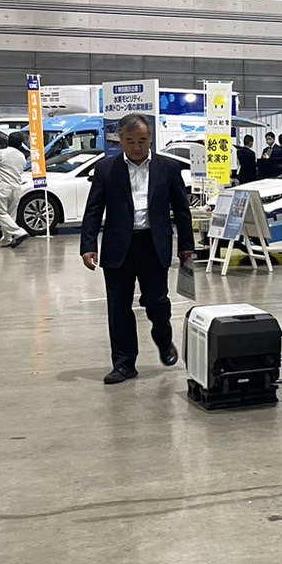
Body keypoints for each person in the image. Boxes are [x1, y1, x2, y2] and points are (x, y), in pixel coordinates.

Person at [80, 114, 195, 385]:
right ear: (120, 140)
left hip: (154, 244)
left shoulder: (168, 168)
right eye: (130, 141)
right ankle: (124, 364)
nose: (136, 147)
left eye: (142, 140)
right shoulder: (106, 169)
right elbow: (93, 209)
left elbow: (181, 209)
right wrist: (88, 245)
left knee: (158, 303)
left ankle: (163, 338)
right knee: (118, 306)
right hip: (118, 246)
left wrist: (186, 245)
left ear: (150, 139)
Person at [0, 131, 30, 249]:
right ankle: (7, 239)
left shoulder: (0, 153)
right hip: (16, 188)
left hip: (2, 188)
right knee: (10, 215)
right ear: (20, 144)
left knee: (0, 211)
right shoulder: (22, 157)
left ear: (8, 141)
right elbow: (22, 169)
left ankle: (19, 232)